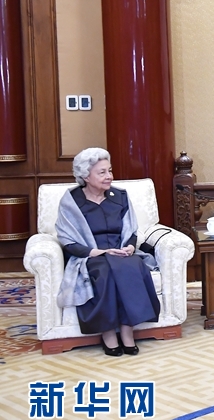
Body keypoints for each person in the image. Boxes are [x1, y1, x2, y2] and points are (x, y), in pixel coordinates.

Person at [55, 148, 160, 357]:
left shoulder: (120, 196)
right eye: (102, 172)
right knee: (104, 273)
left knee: (133, 266)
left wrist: (130, 246)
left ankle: (128, 332)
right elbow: (67, 239)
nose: (109, 176)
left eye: (109, 171)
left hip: (121, 253)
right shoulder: (71, 201)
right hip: (92, 255)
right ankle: (109, 334)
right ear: (86, 176)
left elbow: (131, 230)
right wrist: (94, 252)